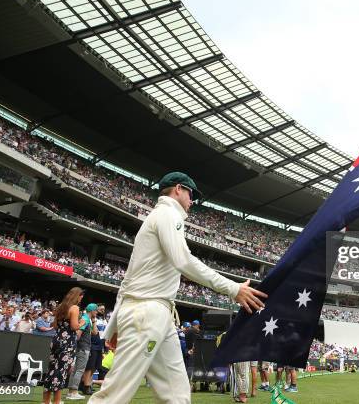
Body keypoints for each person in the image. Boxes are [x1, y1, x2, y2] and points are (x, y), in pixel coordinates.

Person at [88, 171, 267, 404]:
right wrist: (233, 288)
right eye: (191, 194)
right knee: (115, 394)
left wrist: (113, 326)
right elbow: (183, 260)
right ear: (179, 189)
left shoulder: (161, 216)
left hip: (157, 313)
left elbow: (128, 279)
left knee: (177, 394)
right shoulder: (167, 214)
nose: (193, 201)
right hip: (147, 312)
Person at [42, 287, 85, 404]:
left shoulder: (61, 306)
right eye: (81, 296)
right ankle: (56, 401)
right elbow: (74, 326)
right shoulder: (75, 308)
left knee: (51, 370)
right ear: (78, 296)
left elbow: (54, 325)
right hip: (67, 342)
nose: (81, 299)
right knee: (61, 372)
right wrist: (83, 322)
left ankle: (45, 401)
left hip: (56, 339)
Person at [66, 303, 97, 400]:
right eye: (95, 310)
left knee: (76, 370)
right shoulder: (86, 319)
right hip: (83, 348)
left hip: (82, 347)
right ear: (92, 311)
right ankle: (73, 392)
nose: (96, 312)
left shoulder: (87, 319)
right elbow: (78, 334)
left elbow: (94, 333)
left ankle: (71, 392)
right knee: (79, 370)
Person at [82, 304, 105, 395]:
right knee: (89, 367)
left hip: (99, 345)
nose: (101, 310)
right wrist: (94, 321)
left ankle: (88, 384)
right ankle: (86, 386)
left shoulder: (102, 319)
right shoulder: (88, 318)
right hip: (92, 344)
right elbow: (94, 332)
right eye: (99, 309)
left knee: (95, 366)